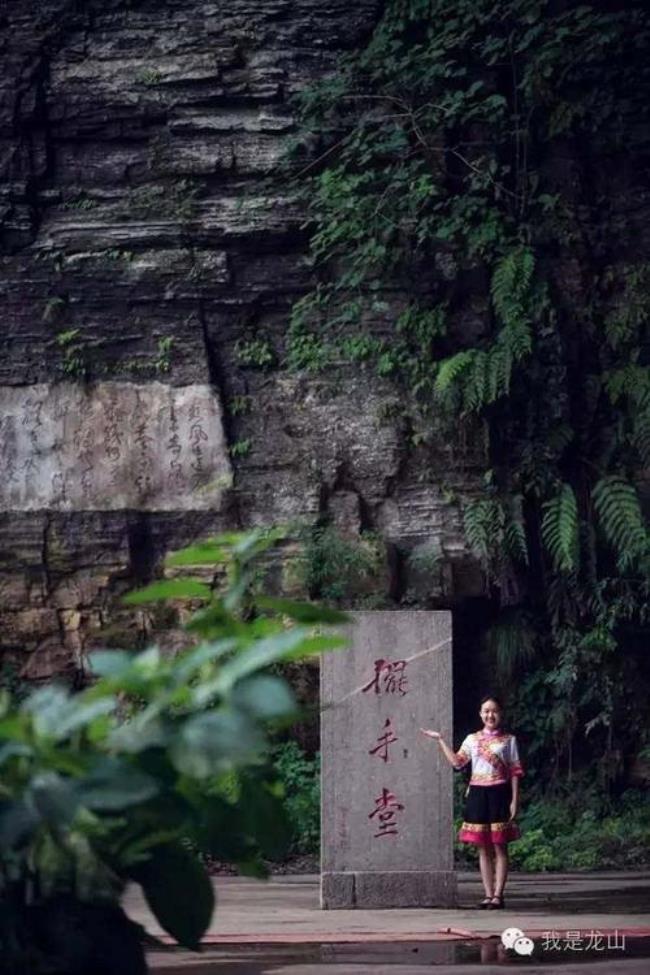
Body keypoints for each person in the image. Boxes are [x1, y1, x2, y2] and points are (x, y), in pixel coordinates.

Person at [420, 695, 523, 910]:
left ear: (500, 714)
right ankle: (487, 895)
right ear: (480, 714)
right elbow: (458, 762)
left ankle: (498, 895)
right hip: (477, 793)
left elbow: (515, 771)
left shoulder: (508, 740)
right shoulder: (472, 739)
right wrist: (440, 740)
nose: (490, 715)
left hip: (499, 793)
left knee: (500, 846)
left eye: (494, 711)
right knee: (483, 847)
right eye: (486, 711)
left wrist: (515, 800)